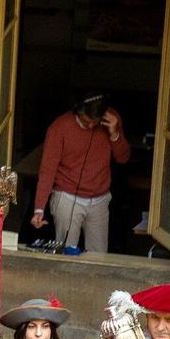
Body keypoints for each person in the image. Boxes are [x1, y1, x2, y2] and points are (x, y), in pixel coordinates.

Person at [31, 93, 132, 253]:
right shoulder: (59, 127)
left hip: (100, 199)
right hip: (67, 197)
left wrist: (114, 134)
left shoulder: (112, 120)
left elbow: (123, 158)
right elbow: (47, 170)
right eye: (86, 121)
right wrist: (39, 209)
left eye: (95, 122)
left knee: (99, 256)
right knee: (66, 253)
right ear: (77, 110)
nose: (91, 126)